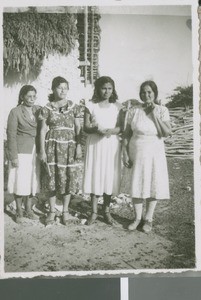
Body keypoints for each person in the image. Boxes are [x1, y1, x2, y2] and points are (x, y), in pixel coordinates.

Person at [123, 80, 171, 233]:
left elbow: (166, 132)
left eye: (149, 92)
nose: (146, 95)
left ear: (155, 93)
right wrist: (125, 153)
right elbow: (126, 134)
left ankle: (148, 218)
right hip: (136, 149)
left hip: (155, 150)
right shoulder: (133, 111)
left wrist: (154, 115)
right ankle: (137, 218)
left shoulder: (162, 110)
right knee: (137, 182)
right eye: (143, 92)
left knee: (152, 182)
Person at [39, 76, 82, 226]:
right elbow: (43, 130)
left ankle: (65, 212)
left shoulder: (74, 107)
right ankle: (51, 211)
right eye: (59, 87)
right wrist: (42, 151)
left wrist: (78, 146)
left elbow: (78, 128)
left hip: (69, 146)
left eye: (65, 87)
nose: (63, 90)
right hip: (52, 146)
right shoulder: (47, 108)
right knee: (52, 177)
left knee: (67, 177)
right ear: (53, 89)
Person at [83, 76, 122, 225]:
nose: (107, 91)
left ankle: (106, 211)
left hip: (111, 145)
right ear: (98, 89)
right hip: (95, 144)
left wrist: (110, 131)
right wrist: (96, 129)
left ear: (113, 90)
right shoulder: (91, 105)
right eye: (104, 88)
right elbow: (85, 127)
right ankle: (93, 212)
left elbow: (121, 127)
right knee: (95, 175)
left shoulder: (118, 106)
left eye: (110, 88)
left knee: (108, 177)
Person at [7, 85, 40, 223]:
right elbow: (11, 135)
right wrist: (13, 156)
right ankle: (19, 211)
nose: (32, 99)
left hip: (35, 151)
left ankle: (28, 209)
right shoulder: (15, 112)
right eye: (29, 96)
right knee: (20, 182)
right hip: (21, 152)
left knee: (31, 181)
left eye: (34, 96)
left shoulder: (38, 110)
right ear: (22, 97)